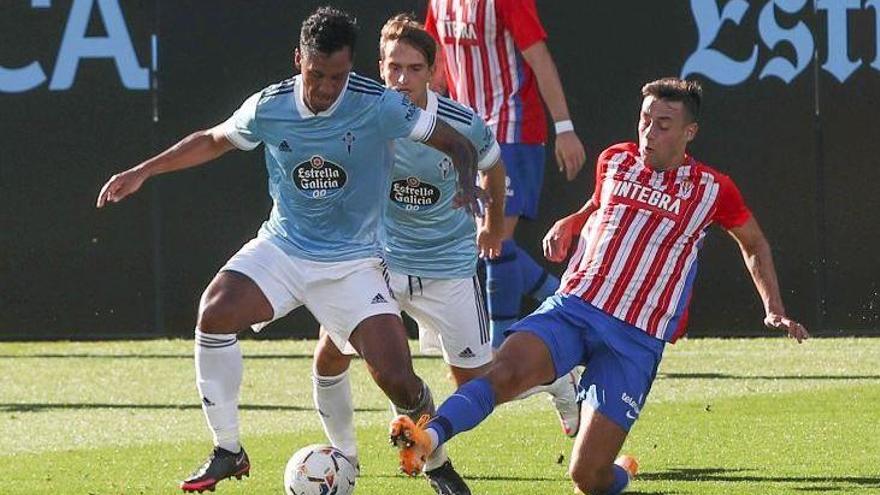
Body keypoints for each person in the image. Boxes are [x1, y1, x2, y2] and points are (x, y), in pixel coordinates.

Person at [95, 7, 483, 493]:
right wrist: (143, 171)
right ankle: (228, 450)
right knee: (214, 312)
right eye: (317, 74)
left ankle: (437, 464)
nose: (325, 88)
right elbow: (213, 139)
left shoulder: (379, 104)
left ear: (351, 69)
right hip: (284, 248)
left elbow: (458, 144)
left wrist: (467, 182)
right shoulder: (269, 106)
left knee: (398, 381)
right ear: (298, 59)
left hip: (354, 263)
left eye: (338, 76)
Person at [389, 78, 810, 495]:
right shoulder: (615, 159)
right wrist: (572, 221)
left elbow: (754, 243)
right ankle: (431, 437)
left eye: (663, 124)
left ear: (689, 133)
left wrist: (772, 305)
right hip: (575, 307)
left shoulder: (713, 189)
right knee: (504, 371)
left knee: (588, 477)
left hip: (635, 337)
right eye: (645, 119)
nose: (649, 131)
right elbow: (600, 203)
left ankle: (622, 473)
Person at [309, 14, 506, 495]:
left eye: (414, 68)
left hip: (447, 267)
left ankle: (555, 384)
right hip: (382, 264)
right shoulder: (361, 115)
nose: (402, 78)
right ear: (380, 68)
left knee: (480, 384)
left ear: (433, 72)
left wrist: (493, 225)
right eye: (393, 67)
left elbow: (494, 170)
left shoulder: (461, 123)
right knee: (330, 357)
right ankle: (345, 458)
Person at [424, 0, 586, 436]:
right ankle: (572, 317)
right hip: (464, 132)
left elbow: (539, 56)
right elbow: (435, 63)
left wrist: (565, 127)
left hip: (513, 127)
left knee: (492, 242)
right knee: (491, 246)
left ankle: (502, 347)